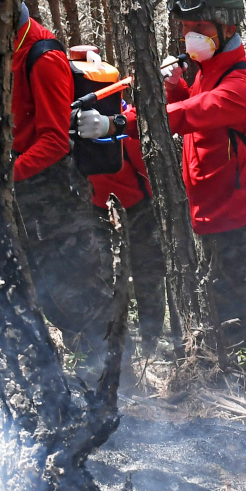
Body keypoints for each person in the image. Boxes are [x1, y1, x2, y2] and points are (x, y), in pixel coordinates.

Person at [78, 0, 246, 403]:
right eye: (187, 27)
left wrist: (118, 124)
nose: (191, 35)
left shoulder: (242, 85)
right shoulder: (204, 74)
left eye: (202, 28)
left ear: (226, 29)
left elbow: (193, 113)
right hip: (213, 222)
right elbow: (185, 100)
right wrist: (169, 84)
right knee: (236, 319)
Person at [12, 2, 116, 374]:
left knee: (81, 293)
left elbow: (55, 141)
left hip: (55, 198)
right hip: (23, 198)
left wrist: (8, 175)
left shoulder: (43, 56)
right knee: (47, 295)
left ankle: (117, 386)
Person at [86, 100, 167, 359]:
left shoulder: (128, 121)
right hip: (100, 210)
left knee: (148, 276)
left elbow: (146, 170)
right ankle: (124, 346)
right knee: (113, 278)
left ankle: (149, 344)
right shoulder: (78, 124)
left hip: (136, 209)